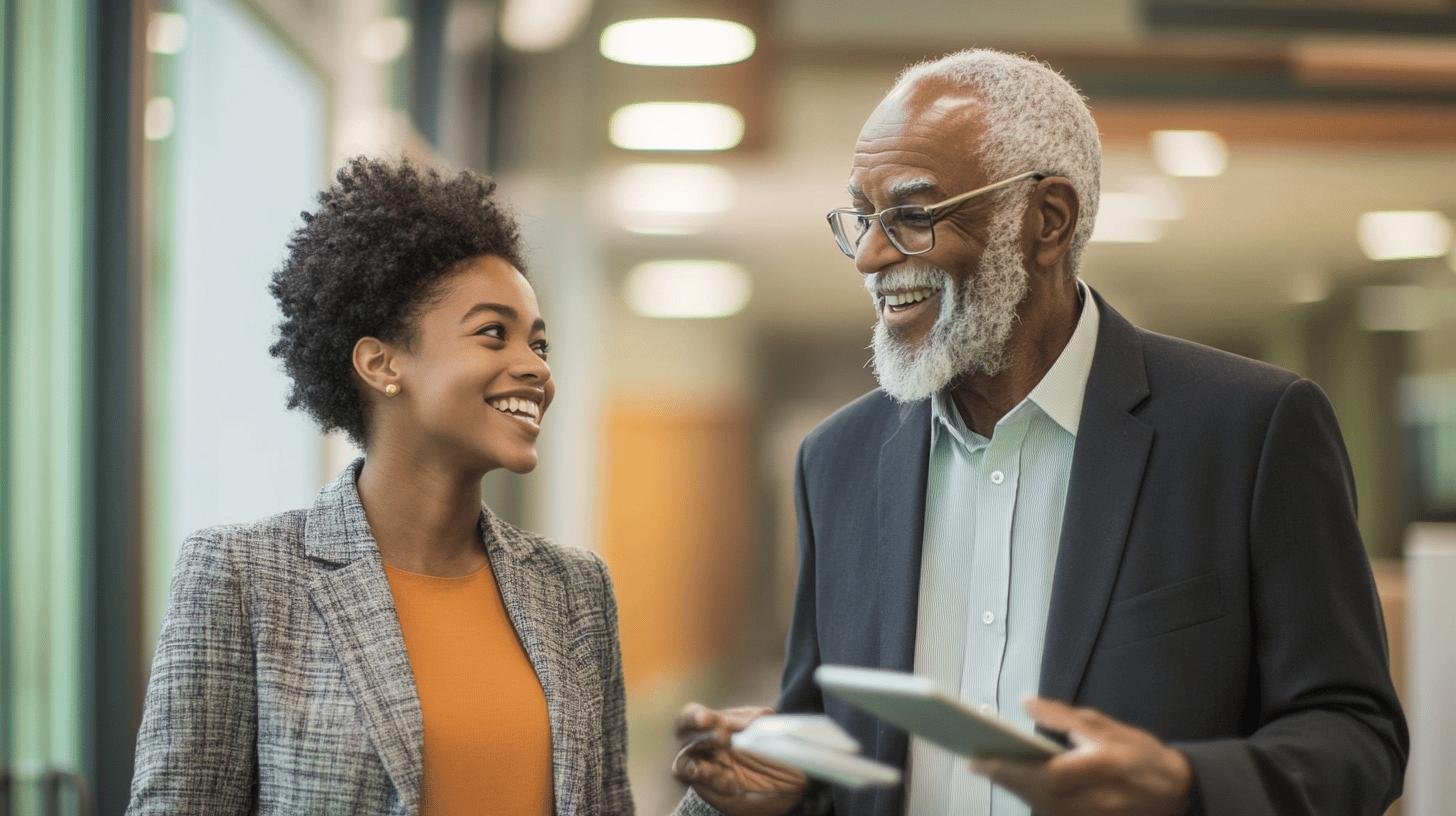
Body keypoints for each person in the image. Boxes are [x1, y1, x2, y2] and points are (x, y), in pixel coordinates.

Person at [673, 49, 1407, 816]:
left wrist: (1187, 786)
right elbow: (838, 759)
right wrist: (785, 793)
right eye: (862, 215)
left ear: (1046, 220)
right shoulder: (838, 463)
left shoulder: (1250, 431)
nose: (871, 254)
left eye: (914, 215)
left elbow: (1356, 736)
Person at [128, 157, 632, 815]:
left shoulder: (576, 591)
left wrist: (721, 804)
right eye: (493, 334)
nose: (534, 368)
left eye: (539, 344)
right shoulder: (243, 578)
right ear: (381, 363)